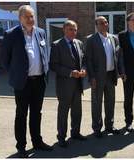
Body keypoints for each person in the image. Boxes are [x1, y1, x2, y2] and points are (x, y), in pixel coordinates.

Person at [0, 5, 52, 158]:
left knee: (37, 113)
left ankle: (37, 142)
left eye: (32, 16)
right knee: (21, 114)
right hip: (22, 83)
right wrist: (16, 74)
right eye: (27, 17)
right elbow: (4, 59)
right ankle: (21, 146)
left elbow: (43, 53)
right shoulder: (11, 34)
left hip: (39, 81)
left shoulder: (41, 32)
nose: (30, 19)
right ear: (20, 18)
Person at [86, 16, 125, 138]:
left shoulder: (114, 38)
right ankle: (97, 128)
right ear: (96, 25)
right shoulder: (91, 40)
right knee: (96, 103)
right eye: (101, 23)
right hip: (97, 77)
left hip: (111, 75)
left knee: (110, 102)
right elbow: (89, 60)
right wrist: (91, 77)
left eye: (106, 22)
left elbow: (119, 58)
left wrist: (122, 72)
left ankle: (109, 125)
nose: (104, 24)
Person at [50, 20, 87, 148]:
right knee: (63, 112)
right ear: (64, 30)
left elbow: (84, 60)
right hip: (64, 85)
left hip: (78, 84)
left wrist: (83, 70)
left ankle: (75, 132)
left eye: (75, 29)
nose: (73, 32)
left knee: (77, 111)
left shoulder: (79, 43)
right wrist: (70, 72)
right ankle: (61, 137)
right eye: (70, 29)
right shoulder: (56, 45)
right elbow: (53, 65)